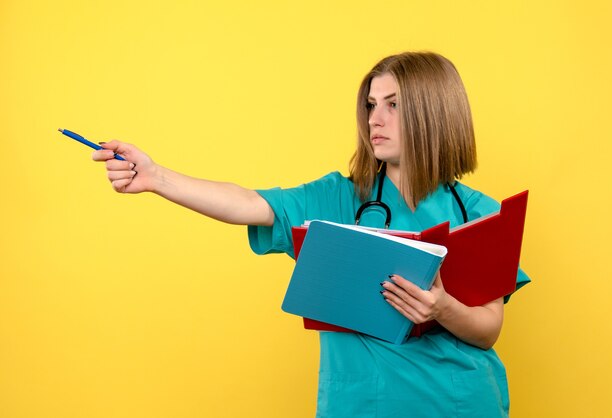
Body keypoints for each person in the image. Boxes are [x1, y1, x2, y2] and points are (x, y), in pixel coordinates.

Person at [93, 51, 530, 418]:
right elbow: (250, 203)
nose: (375, 118)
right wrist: (156, 177)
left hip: (459, 403)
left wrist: (444, 308)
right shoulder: (340, 198)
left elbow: (488, 329)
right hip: (361, 402)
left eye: (393, 105)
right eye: (371, 105)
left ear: (434, 113)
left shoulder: (478, 212)